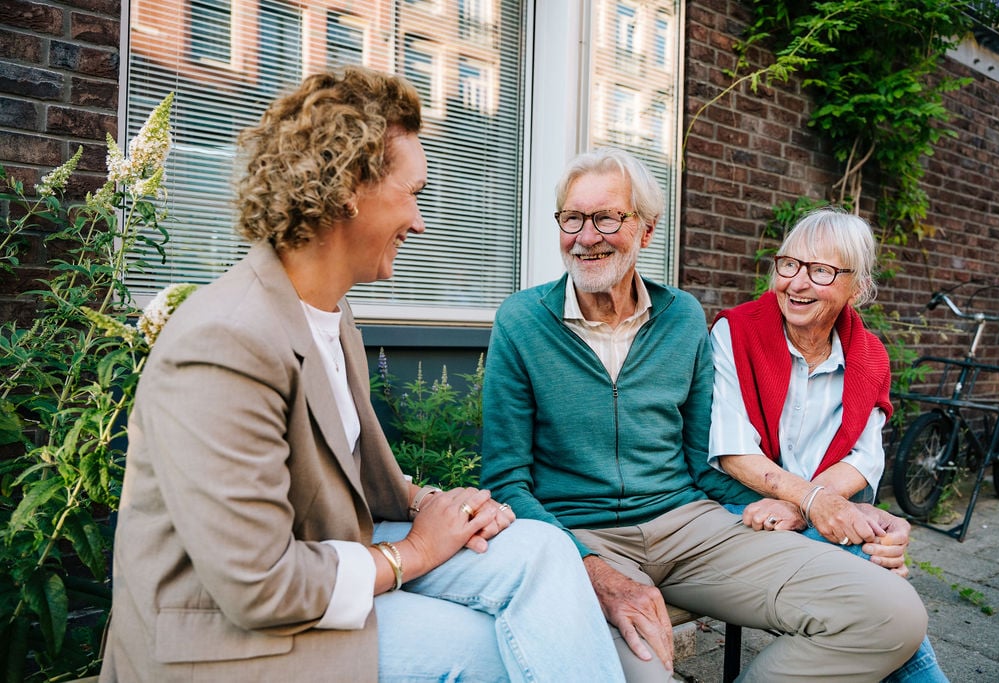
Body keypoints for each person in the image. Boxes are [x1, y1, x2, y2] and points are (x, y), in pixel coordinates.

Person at [99, 67, 624, 682]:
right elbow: (257, 586)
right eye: (414, 193)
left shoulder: (328, 310)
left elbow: (356, 476)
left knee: (542, 548)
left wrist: (437, 504)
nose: (421, 222)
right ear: (349, 186)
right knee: (491, 651)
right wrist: (417, 551)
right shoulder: (227, 341)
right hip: (226, 638)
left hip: (329, 561)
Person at [480, 147, 927, 682]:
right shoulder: (522, 321)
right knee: (642, 675)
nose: (586, 235)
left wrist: (789, 511)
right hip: (580, 534)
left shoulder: (682, 317)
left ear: (646, 231)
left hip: (692, 527)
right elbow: (506, 480)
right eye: (572, 218)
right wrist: (590, 568)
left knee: (892, 613)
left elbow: (701, 460)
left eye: (607, 217)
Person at [708, 207, 948, 682]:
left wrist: (806, 505)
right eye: (789, 264)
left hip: (806, 512)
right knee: (875, 575)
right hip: (736, 508)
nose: (796, 283)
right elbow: (732, 449)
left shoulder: (869, 354)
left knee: (870, 561)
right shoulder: (734, 332)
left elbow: (864, 458)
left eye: (820, 271)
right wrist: (814, 503)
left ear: (855, 287)